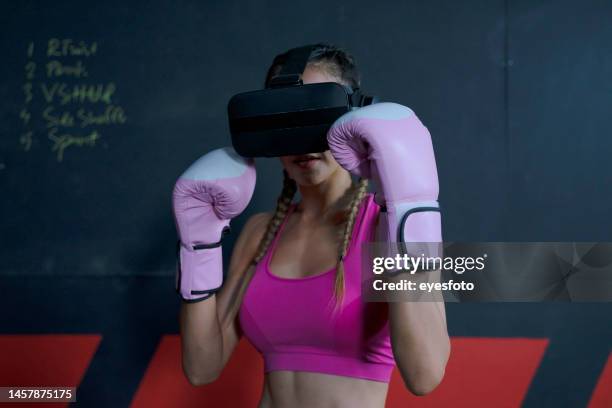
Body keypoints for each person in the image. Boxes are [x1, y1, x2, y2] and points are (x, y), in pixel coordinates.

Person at [174, 43, 450, 407]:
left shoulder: (386, 226)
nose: (302, 139)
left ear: (353, 119)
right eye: (285, 117)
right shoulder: (260, 231)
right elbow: (201, 368)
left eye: (316, 115)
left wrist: (410, 210)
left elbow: (424, 374)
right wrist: (199, 245)